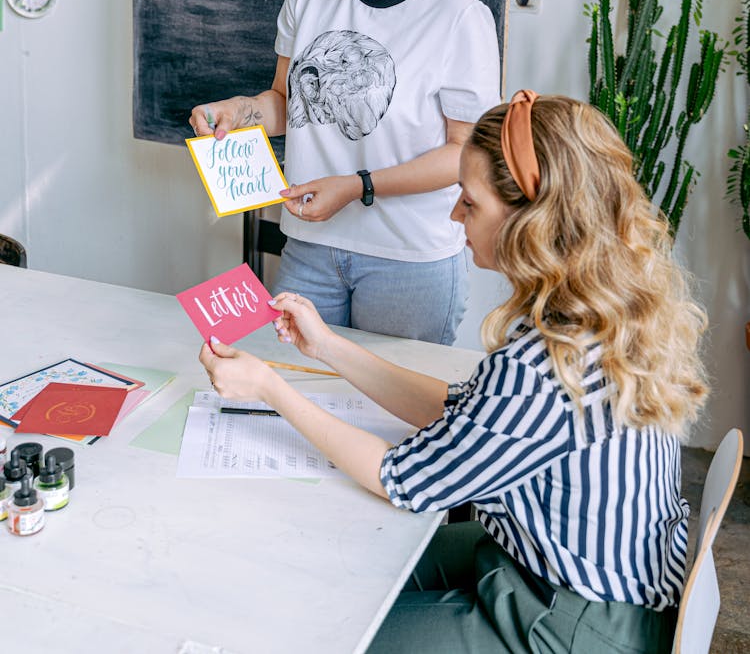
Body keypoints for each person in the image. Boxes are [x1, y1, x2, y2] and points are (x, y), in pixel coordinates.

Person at [200, 92, 709, 653]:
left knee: (333, 627)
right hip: (593, 577)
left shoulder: (541, 367)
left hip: (573, 621)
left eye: (469, 203)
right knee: (334, 572)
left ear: (528, 219)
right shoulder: (594, 314)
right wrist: (328, 346)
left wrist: (270, 388)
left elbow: (401, 479)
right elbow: (465, 408)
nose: (454, 215)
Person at [190, 0, 500, 343]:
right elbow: (286, 102)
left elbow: (466, 153)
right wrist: (237, 111)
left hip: (409, 261)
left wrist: (359, 187)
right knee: (291, 393)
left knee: (392, 412)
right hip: (310, 246)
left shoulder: (459, 17)